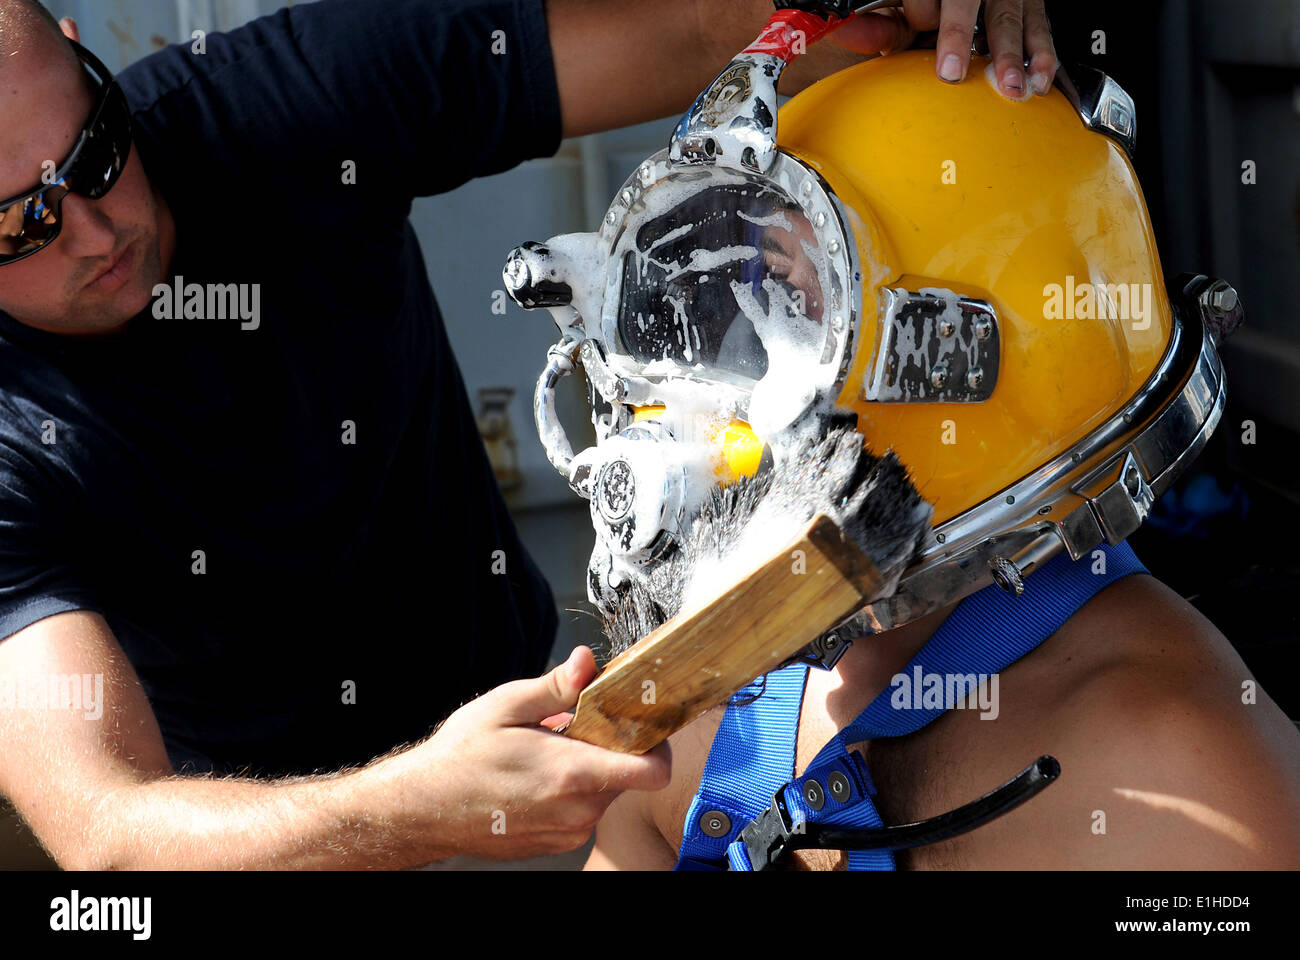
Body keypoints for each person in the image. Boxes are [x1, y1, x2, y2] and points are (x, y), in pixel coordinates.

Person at [0, 0, 1057, 870]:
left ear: (96, 71)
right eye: (20, 226)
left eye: (93, 155)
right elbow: (109, 833)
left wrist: (928, 16)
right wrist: (407, 813)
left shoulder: (278, 104)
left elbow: (705, 31)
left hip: (534, 739)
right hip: (250, 840)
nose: (94, 230)